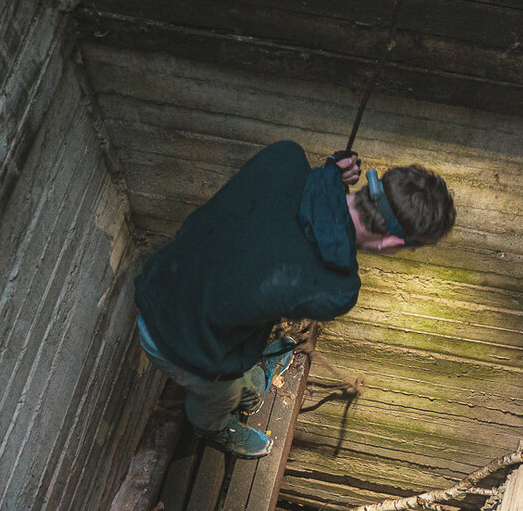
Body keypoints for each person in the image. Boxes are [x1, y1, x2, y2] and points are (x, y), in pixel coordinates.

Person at [133, 140, 455, 458]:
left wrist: (329, 175)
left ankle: (247, 384)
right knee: (218, 394)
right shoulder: (336, 289)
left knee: (234, 357)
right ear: (391, 243)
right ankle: (213, 426)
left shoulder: (285, 156)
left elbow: (282, 227)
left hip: (160, 281)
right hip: (178, 342)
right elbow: (300, 257)